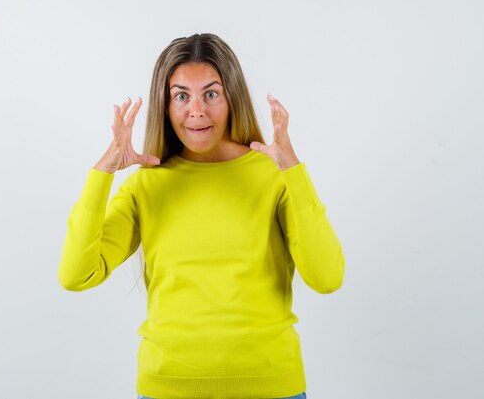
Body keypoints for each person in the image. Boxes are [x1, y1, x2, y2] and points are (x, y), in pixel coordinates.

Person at [58, 33, 345, 399]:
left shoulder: (273, 175)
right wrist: (103, 173)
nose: (196, 110)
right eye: (181, 96)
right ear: (165, 104)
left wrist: (293, 171)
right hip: (167, 388)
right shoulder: (146, 185)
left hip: (271, 387)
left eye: (210, 94)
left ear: (232, 98)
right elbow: (76, 275)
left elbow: (327, 278)